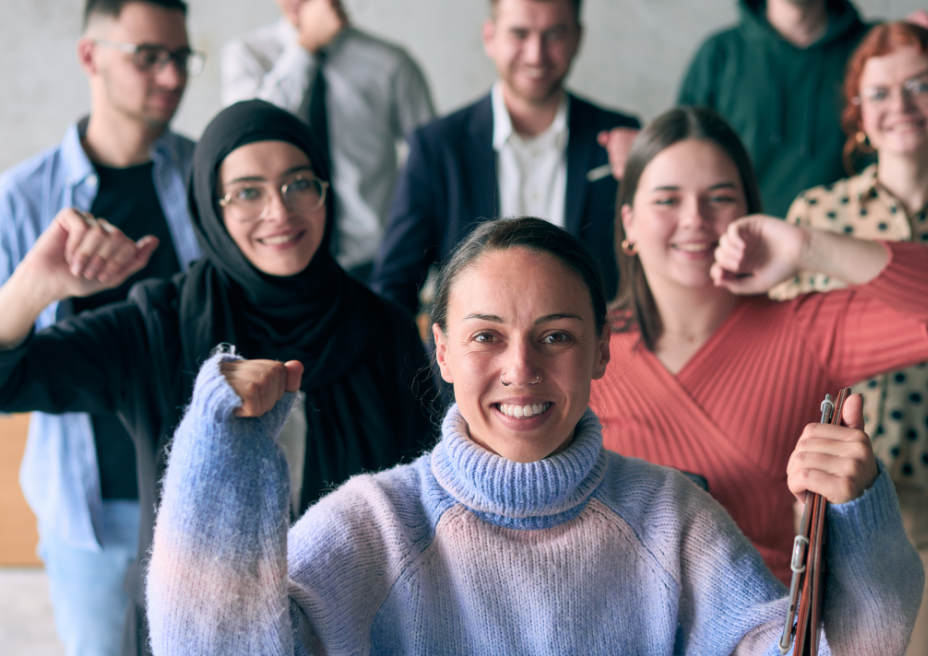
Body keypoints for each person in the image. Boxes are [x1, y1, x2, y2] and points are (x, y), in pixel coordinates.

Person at [147, 216, 924, 654]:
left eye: (555, 337)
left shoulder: (673, 520)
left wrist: (858, 519)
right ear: (442, 351)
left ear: (599, 350)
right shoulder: (374, 524)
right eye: (486, 337)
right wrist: (223, 453)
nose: (520, 369)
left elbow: (843, 652)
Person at [0, 100, 435, 656]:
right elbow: (10, 379)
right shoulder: (161, 321)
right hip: (191, 635)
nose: (279, 211)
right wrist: (36, 288)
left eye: (299, 184)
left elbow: (424, 494)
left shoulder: (384, 329)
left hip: (353, 631)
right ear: (211, 206)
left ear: (326, 191)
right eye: (248, 191)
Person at [586, 106, 928, 586]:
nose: (695, 219)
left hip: (766, 629)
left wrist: (807, 247)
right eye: (667, 200)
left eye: (719, 198)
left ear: (748, 213)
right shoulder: (581, 346)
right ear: (629, 222)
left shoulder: (804, 329)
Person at [770, 22, 928, 656]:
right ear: (859, 117)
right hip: (826, 497)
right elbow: (780, 358)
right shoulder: (816, 216)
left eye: (920, 85)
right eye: (879, 92)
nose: (898, 105)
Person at [0, 1, 202, 653]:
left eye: (180, 57)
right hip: (91, 516)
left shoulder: (214, 179)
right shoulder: (22, 198)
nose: (171, 77)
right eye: (149, 57)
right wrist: (38, 288)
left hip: (205, 501)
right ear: (90, 56)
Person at [598, 0, 928, 218]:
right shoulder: (721, 54)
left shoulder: (876, 52)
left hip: (861, 249)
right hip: (742, 260)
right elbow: (688, 162)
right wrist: (650, 154)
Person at [370, 0, 639, 312]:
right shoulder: (436, 146)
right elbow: (392, 288)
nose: (536, 54)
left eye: (554, 34)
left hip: (599, 357)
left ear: (577, 38)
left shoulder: (622, 135)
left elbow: (650, 270)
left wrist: (654, 170)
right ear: (490, 37)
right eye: (519, 34)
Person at [220, 0, 435, 281]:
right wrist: (305, 47)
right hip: (280, 257)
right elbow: (249, 133)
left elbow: (432, 162)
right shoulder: (247, 56)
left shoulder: (390, 64)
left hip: (375, 265)